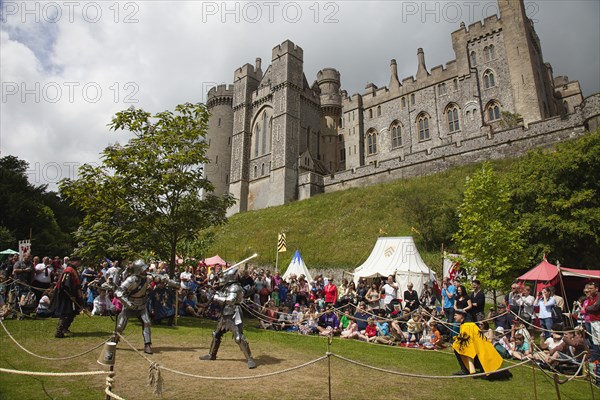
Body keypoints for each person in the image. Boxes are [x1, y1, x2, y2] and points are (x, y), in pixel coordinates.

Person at [114, 259, 177, 354]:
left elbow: (163, 278)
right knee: (120, 325)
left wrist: (175, 284)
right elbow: (118, 292)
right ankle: (114, 341)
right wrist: (127, 303)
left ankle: (147, 345)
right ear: (138, 270)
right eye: (143, 269)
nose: (145, 270)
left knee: (147, 322)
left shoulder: (148, 277)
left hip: (142, 305)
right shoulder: (131, 280)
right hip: (130, 305)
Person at [200, 266, 257, 369]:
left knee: (239, 337)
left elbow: (231, 300)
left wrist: (217, 297)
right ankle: (211, 354)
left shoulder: (235, 287)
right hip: (225, 313)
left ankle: (250, 359)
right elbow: (223, 296)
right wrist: (216, 294)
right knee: (216, 334)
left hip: (234, 314)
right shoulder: (227, 286)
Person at [452, 309, 505, 377]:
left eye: (455, 315)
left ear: (461, 316)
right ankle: (467, 369)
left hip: (479, 348)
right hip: (476, 347)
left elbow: (466, 340)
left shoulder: (467, 325)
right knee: (457, 347)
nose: (454, 317)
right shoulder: (466, 324)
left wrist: (456, 343)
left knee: (457, 348)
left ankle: (465, 370)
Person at [51, 256, 83, 338]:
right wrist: (71, 295)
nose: (79, 263)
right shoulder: (68, 270)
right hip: (66, 295)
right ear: (73, 261)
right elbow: (66, 285)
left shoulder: (73, 270)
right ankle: (59, 331)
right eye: (78, 261)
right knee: (66, 313)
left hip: (71, 295)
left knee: (72, 313)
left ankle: (65, 328)